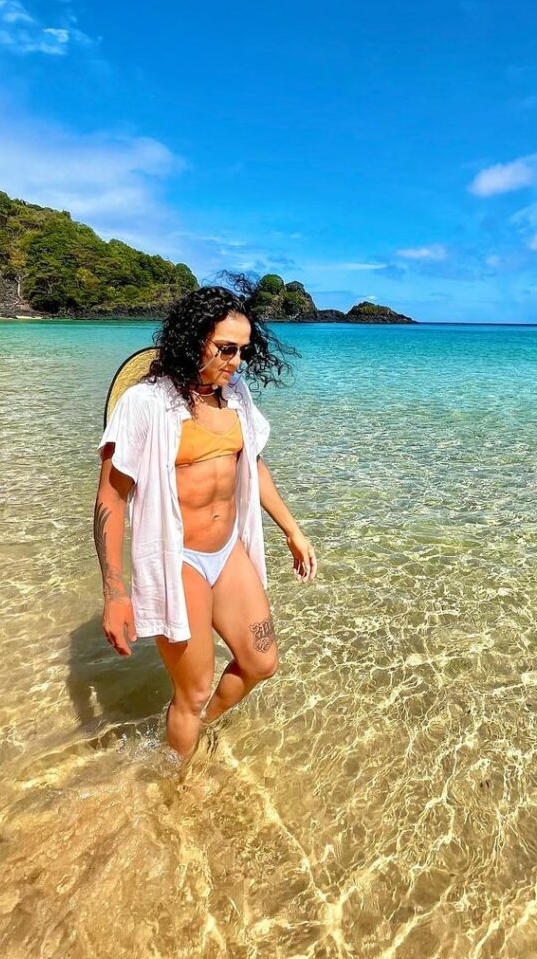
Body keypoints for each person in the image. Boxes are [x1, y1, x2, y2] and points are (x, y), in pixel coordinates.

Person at [94, 285, 317, 762]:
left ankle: (191, 732)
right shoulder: (147, 404)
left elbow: (252, 464)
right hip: (180, 560)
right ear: (194, 337)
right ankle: (174, 786)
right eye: (226, 349)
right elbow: (111, 495)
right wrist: (115, 593)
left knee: (261, 662)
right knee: (191, 692)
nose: (236, 362)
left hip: (227, 549)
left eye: (244, 351)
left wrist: (292, 530)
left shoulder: (234, 396)